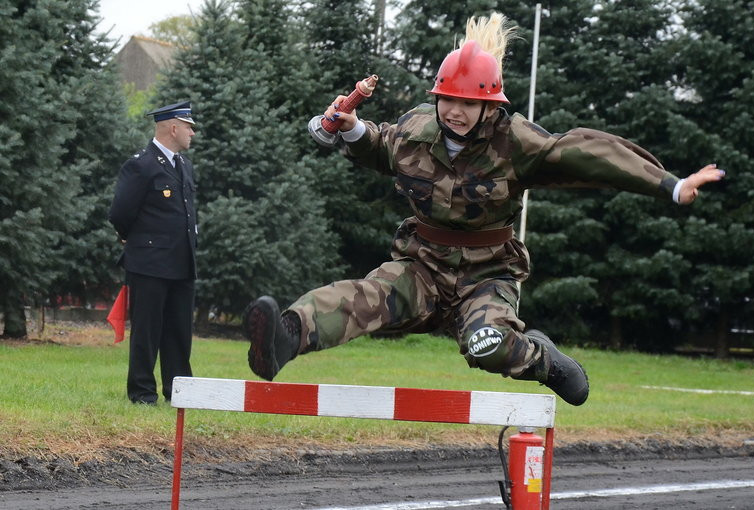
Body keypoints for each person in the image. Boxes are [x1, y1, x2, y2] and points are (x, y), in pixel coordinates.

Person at [243, 14, 725, 406]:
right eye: (447, 99)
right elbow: (381, 145)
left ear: (488, 105)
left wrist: (670, 184)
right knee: (362, 296)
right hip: (421, 267)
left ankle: (545, 360)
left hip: (486, 274)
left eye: (468, 103)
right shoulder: (416, 128)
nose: (454, 111)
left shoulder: (516, 141)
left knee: (486, 346)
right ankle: (285, 338)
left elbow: (590, 154)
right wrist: (350, 128)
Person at [109, 101, 198, 405]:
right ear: (173, 127)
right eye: (189, 127)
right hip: (149, 264)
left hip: (182, 262)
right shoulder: (141, 164)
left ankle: (180, 393)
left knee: (178, 332)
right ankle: (142, 393)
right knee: (147, 332)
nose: (192, 133)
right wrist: (131, 239)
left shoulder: (184, 165)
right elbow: (120, 212)